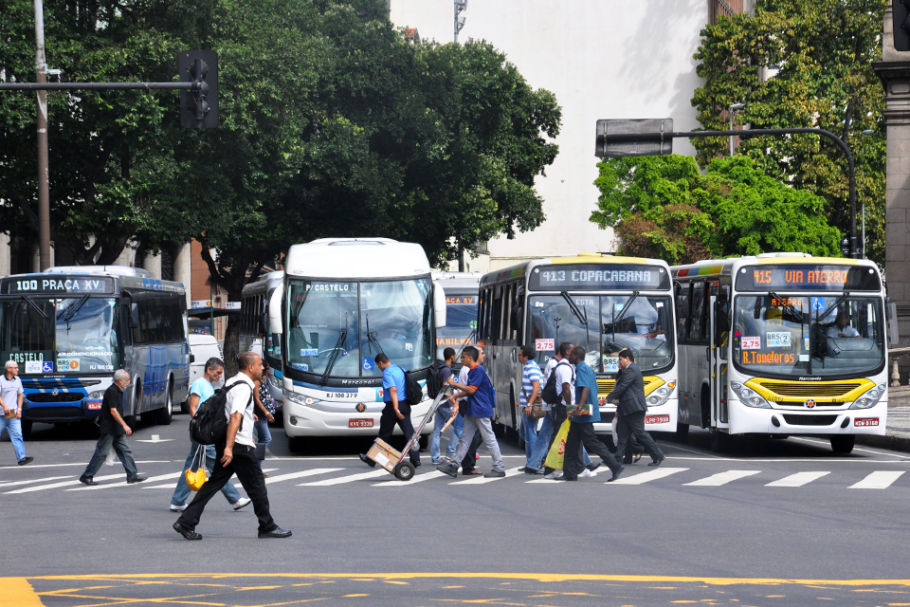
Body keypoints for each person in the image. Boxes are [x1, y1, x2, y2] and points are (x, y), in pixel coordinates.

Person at [173, 352, 291, 540]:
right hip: (237, 446)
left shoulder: (231, 382)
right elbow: (235, 415)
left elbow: (231, 412)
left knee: (213, 484)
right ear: (250, 367)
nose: (264, 368)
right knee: (257, 486)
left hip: (227, 442)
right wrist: (229, 447)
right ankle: (267, 526)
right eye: (261, 365)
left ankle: (186, 522)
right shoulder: (244, 387)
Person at [169, 358, 250, 512]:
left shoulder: (208, 386)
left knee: (193, 466)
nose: (220, 376)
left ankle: (178, 501)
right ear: (209, 369)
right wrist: (200, 429)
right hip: (203, 434)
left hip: (203, 433)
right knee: (218, 466)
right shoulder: (199, 384)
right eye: (218, 372)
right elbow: (193, 409)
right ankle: (235, 498)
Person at [556, 346, 624, 482]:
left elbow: (585, 388)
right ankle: (570, 473)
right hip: (584, 413)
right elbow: (595, 387)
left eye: (571, 355)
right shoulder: (589, 369)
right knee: (571, 443)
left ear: (576, 356)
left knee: (592, 442)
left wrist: (579, 407)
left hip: (583, 414)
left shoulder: (581, 369)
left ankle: (615, 465)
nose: (569, 357)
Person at [439, 346, 505, 478]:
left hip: (480, 409)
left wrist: (455, 385)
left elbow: (472, 390)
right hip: (473, 409)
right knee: (465, 438)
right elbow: (469, 390)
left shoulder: (478, 370)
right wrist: (456, 396)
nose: (461, 359)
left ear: (470, 357)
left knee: (489, 438)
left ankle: (499, 467)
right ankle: (454, 465)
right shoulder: (471, 371)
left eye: (463, 357)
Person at [79, 370, 146, 485]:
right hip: (109, 428)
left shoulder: (118, 391)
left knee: (126, 452)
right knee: (102, 453)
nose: (128, 382)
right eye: (127, 380)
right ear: (120, 380)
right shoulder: (112, 391)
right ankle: (87, 475)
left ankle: (132, 475)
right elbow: (113, 411)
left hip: (116, 428)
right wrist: (125, 425)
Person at [359, 353, 420, 468]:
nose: (379, 368)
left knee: (384, 434)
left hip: (393, 406)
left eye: (378, 365)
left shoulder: (388, 372)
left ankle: (371, 459)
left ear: (381, 363)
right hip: (405, 404)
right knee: (410, 433)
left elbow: (393, 390)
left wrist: (396, 408)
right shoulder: (400, 369)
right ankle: (416, 459)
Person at [608, 349, 665, 467]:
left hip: (634, 408)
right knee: (622, 433)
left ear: (627, 358)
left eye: (620, 359)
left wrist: (607, 399)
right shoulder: (629, 370)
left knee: (640, 433)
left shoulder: (632, 369)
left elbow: (622, 388)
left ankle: (658, 455)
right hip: (626, 408)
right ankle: (618, 458)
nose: (619, 362)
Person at [0, 361, 32, 466]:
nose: (18, 369)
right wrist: (4, 406)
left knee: (17, 435)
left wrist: (19, 409)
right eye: (16, 368)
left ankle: (21, 458)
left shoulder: (17, 380)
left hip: (12, 413)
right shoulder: (0, 380)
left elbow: (20, 395)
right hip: (1, 414)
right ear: (9, 369)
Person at [517, 345, 543, 474]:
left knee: (530, 434)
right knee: (524, 432)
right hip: (527, 405)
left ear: (526, 357)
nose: (518, 356)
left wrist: (529, 404)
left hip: (530, 406)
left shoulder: (531, 368)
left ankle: (534, 463)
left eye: (520, 354)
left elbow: (536, 387)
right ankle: (534, 460)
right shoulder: (529, 367)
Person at [429, 347, 457, 464]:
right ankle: (451, 452)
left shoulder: (441, 368)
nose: (456, 358)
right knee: (460, 427)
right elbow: (446, 390)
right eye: (455, 356)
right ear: (452, 356)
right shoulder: (446, 370)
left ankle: (435, 458)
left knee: (437, 431)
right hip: (446, 404)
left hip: (439, 404)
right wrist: (455, 403)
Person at [253, 361, 276, 471]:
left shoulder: (263, 379)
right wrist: (266, 413)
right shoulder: (256, 382)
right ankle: (255, 464)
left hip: (264, 413)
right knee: (266, 438)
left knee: (263, 439)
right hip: (259, 414)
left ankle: (257, 467)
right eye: (265, 369)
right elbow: (257, 399)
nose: (267, 371)